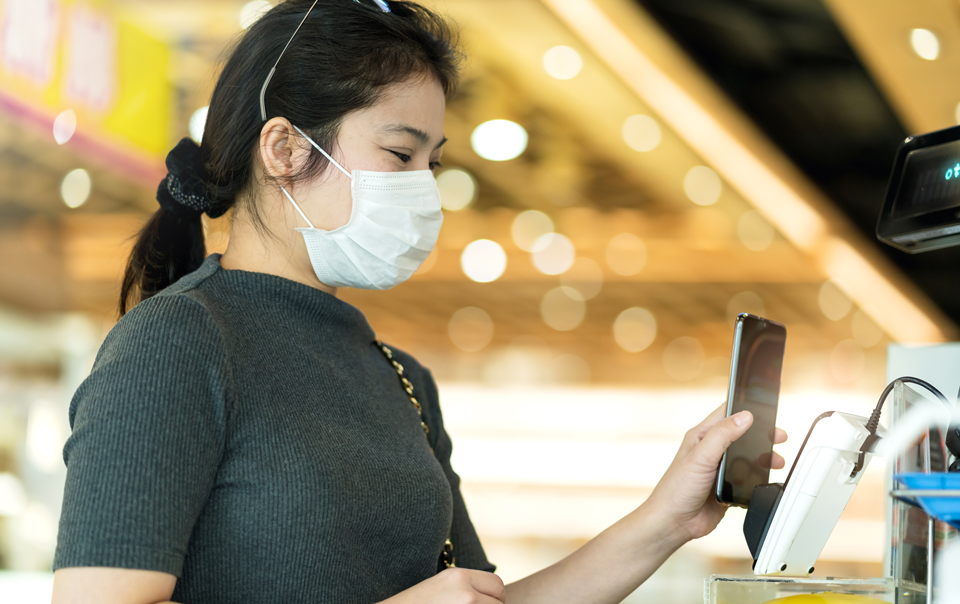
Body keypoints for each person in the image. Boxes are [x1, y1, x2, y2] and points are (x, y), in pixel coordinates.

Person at [51, 1, 787, 603]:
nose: (422, 189)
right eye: (400, 154)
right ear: (283, 150)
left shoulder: (400, 377)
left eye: (431, 163)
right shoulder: (178, 342)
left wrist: (666, 519)